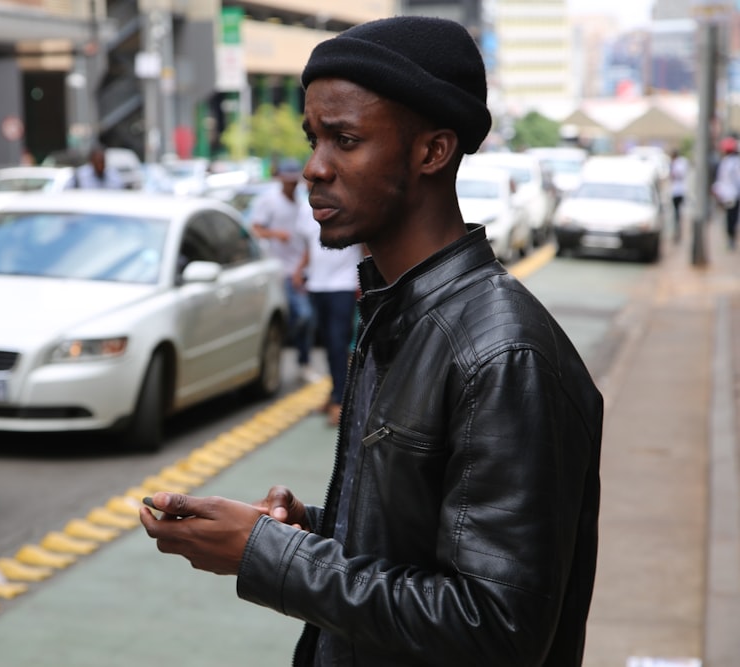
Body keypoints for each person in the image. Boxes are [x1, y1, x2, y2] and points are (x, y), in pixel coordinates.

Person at [140, 15, 604, 666]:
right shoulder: (398, 314)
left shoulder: (502, 355)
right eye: (313, 140)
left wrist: (271, 554)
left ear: (432, 152)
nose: (313, 168)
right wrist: (312, 528)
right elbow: (427, 541)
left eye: (345, 140)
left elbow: (497, 628)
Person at [249, 157, 317, 382]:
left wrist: (302, 267)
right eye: (287, 180)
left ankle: (302, 361)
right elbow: (255, 229)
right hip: (278, 272)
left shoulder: (301, 204)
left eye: (293, 180)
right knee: (294, 317)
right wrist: (276, 234)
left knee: (306, 318)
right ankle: (284, 361)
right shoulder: (269, 202)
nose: (291, 184)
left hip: (299, 271)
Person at [294, 207, 362, 427]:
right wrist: (300, 269)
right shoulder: (307, 210)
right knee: (327, 343)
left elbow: (366, 245)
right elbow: (311, 245)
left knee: (337, 343)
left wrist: (367, 277)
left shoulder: (350, 204)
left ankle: (340, 402)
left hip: (343, 285)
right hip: (317, 285)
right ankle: (336, 392)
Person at [713, 137, 740, 250]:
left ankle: (730, 237)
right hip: (733, 194)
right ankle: (731, 237)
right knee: (732, 217)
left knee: (730, 216)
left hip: (727, 194)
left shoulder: (725, 163)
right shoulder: (733, 162)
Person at [668, 148, 689, 243]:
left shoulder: (677, 164)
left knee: (677, 214)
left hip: (677, 191)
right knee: (677, 213)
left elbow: (676, 175)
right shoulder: (681, 163)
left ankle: (678, 232)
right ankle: (677, 232)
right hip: (679, 191)